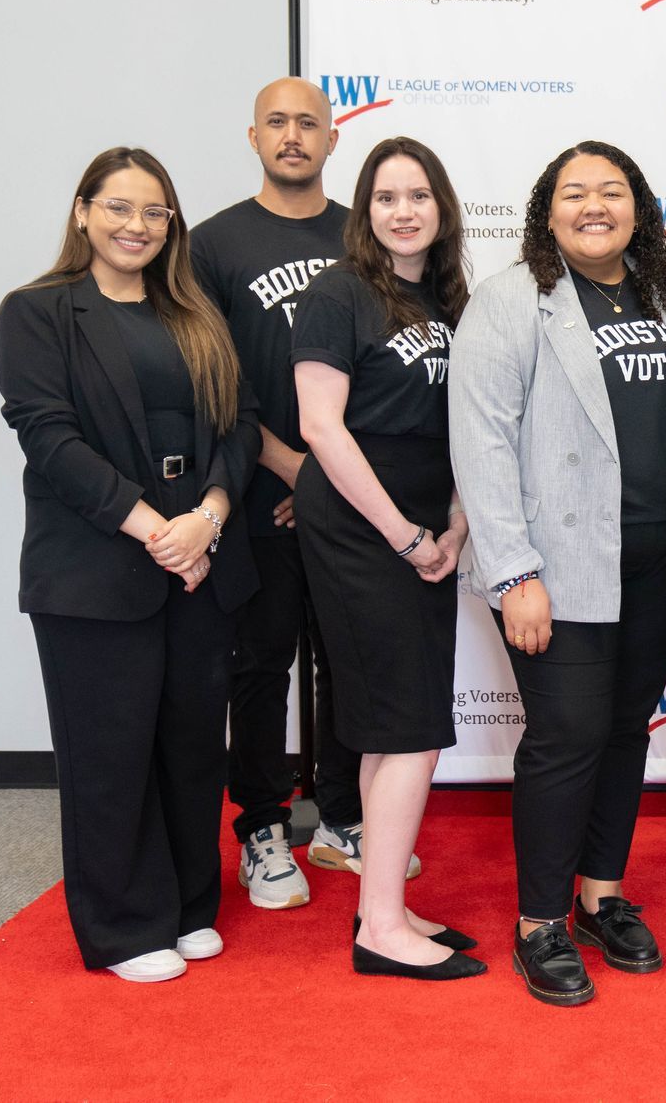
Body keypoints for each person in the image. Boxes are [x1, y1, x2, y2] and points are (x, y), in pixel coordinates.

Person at [0, 147, 258, 982]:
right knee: (109, 753)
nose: (136, 226)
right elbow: (48, 437)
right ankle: (120, 928)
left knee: (190, 747)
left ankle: (186, 907)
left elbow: (240, 425)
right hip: (96, 568)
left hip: (200, 561)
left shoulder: (194, 313)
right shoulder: (38, 312)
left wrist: (209, 517)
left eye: (154, 212)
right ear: (82, 213)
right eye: (117, 208)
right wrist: (158, 529)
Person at [450, 141, 666, 1006]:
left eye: (613, 191)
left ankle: (601, 896)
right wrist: (514, 572)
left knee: (627, 730)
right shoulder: (511, 302)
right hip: (558, 566)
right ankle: (539, 922)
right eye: (574, 193)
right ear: (546, 210)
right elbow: (480, 444)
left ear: (639, 207)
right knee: (566, 736)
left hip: (657, 565)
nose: (595, 206)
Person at [192, 77, 391, 911]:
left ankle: (344, 823)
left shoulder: (365, 235)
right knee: (262, 664)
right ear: (253, 137)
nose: (293, 135)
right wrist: (289, 469)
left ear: (334, 137)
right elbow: (212, 379)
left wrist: (337, 485)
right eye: (277, 122)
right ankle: (264, 827)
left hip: (345, 502)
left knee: (350, 664)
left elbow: (386, 374)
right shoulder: (212, 244)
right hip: (266, 493)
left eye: (309, 122)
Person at [292, 136, 481, 981]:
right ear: (364, 212)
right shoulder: (338, 294)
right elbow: (322, 427)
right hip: (362, 529)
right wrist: (403, 535)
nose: (403, 211)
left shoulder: (448, 302)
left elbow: (469, 427)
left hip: (424, 530)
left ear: (441, 208)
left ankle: (383, 906)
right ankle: (379, 930)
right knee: (409, 729)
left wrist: (453, 525)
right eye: (385, 197)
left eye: (418, 196)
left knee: (387, 727)